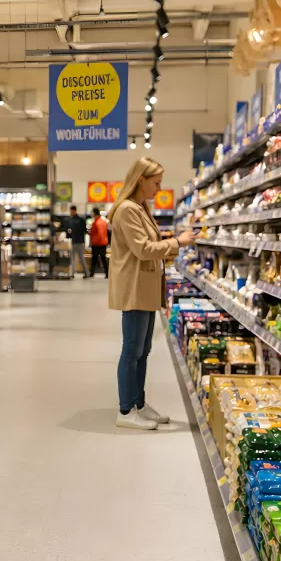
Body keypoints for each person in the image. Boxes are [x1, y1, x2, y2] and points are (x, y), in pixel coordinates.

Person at [108, 158, 196, 430]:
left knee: (143, 350)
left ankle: (139, 403)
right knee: (131, 349)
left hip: (145, 286)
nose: (159, 188)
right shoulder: (126, 210)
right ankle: (125, 411)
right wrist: (177, 242)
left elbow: (150, 243)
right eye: (156, 182)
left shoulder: (140, 208)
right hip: (134, 287)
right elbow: (143, 249)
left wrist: (169, 239)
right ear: (140, 180)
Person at [65, 204, 88, 278]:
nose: (70, 212)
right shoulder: (73, 220)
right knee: (76, 258)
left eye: (71, 211)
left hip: (78, 241)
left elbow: (83, 230)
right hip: (76, 241)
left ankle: (85, 273)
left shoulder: (77, 220)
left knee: (79, 258)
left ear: (74, 210)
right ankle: (74, 273)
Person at [88, 208, 110, 277]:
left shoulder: (97, 222)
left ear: (94, 213)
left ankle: (92, 273)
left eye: (92, 213)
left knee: (94, 259)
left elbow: (99, 234)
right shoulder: (103, 221)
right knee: (103, 259)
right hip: (103, 243)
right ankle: (107, 273)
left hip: (97, 243)